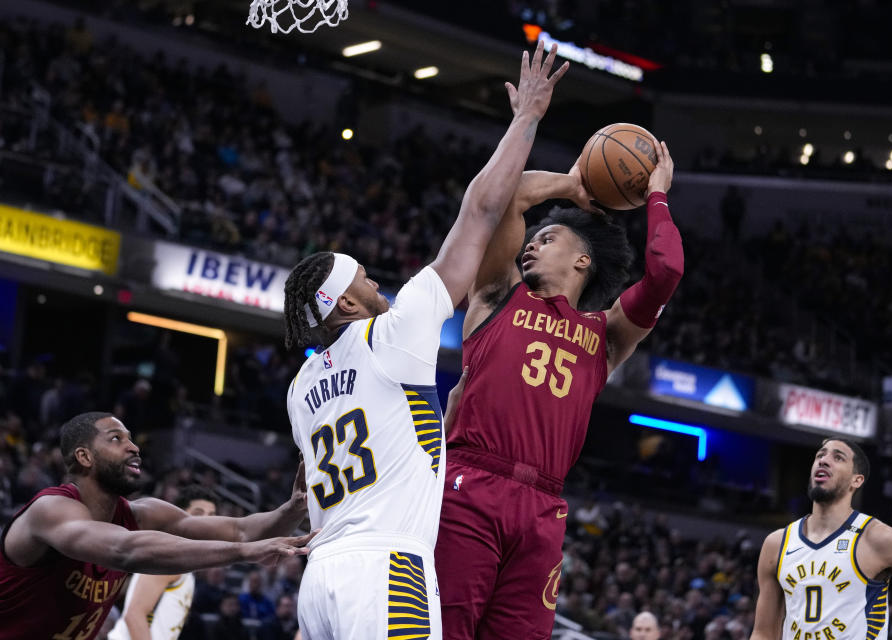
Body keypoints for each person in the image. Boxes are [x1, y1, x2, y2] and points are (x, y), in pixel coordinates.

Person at [282, 41, 569, 640]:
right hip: (387, 569)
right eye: (364, 277)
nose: (377, 280)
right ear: (344, 304)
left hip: (320, 581)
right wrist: (526, 119)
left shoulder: (301, 387)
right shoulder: (392, 336)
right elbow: (481, 213)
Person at [434, 138, 684, 639]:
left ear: (582, 261)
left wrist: (657, 194)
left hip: (543, 507)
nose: (532, 242)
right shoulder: (496, 294)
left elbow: (667, 271)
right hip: (469, 486)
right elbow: (506, 200)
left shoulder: (606, 335)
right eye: (535, 236)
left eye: (548, 238)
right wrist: (572, 186)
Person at [0, 411, 314, 640]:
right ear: (84, 456)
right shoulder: (50, 509)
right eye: (116, 438)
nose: (133, 447)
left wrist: (294, 508)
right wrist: (245, 552)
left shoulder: (142, 513)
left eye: (131, 438)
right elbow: (124, 549)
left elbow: (240, 530)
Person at [750, 438, 892, 640]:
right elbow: (763, 633)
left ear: (856, 480)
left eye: (838, 457)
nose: (823, 460)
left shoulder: (879, 538)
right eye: (819, 456)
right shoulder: (776, 544)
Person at [106, 486, 220, 640]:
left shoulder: (184, 560)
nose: (206, 521)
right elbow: (134, 615)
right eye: (198, 514)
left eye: (211, 515)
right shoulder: (170, 559)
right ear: (181, 517)